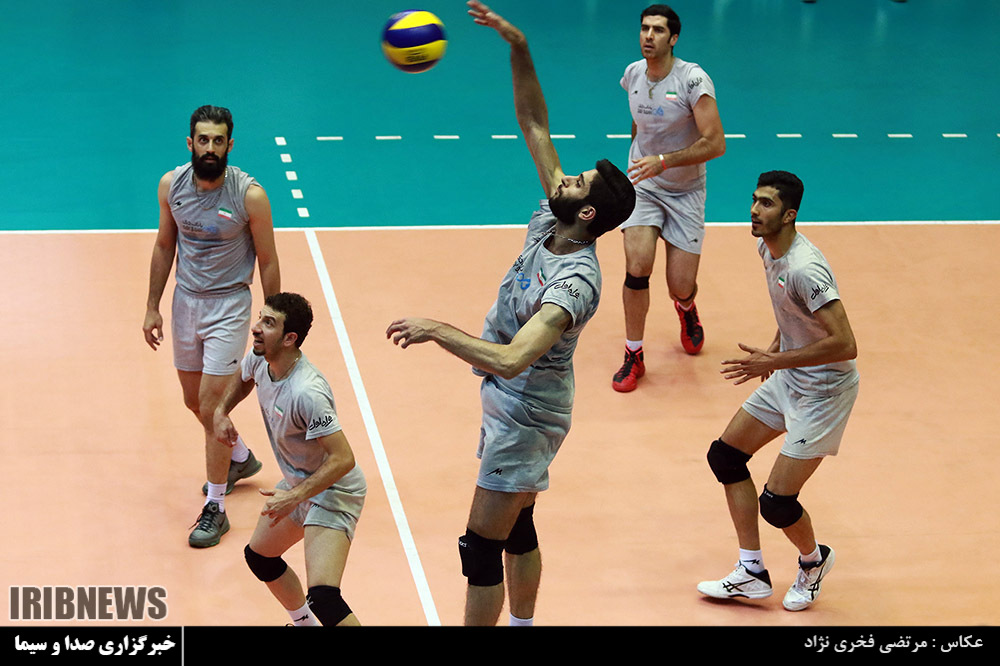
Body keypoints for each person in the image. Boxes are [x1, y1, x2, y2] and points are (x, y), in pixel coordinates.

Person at [385, 1, 636, 627]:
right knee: (518, 527)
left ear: (587, 214)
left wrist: (435, 329)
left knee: (479, 548)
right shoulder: (555, 215)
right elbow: (534, 123)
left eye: (576, 181)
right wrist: (517, 45)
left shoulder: (576, 282)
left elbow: (513, 357)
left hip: (528, 413)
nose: (565, 177)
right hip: (511, 400)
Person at [697, 171, 859, 611]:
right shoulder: (767, 249)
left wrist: (773, 362)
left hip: (824, 393)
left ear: (789, 215)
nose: (754, 210)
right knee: (725, 457)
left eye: (766, 204)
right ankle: (751, 572)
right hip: (791, 374)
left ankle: (813, 561)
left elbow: (846, 344)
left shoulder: (806, 268)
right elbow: (794, 313)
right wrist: (775, 348)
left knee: (777, 503)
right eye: (754, 200)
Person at [142, 105, 281, 548]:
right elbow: (164, 245)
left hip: (229, 306)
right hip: (185, 304)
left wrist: (272, 320)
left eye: (218, 141)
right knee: (195, 403)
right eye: (203, 139)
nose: (210, 147)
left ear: (229, 145)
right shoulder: (172, 185)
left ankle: (216, 509)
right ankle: (239, 457)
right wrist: (152, 306)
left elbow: (268, 259)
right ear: (190, 143)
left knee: (211, 406)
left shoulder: (249, 195)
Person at [214, 292, 367, 626]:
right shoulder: (261, 358)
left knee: (324, 597)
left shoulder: (307, 391)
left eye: (268, 323)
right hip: (300, 484)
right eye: (260, 318)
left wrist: (294, 497)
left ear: (289, 338)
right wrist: (222, 411)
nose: (256, 327)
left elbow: (343, 459)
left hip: (334, 491)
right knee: (261, 558)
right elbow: (244, 378)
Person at [612, 4, 726, 392]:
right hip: (644, 184)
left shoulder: (693, 80)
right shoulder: (633, 74)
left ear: (673, 38)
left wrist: (664, 161)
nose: (648, 36)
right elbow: (640, 123)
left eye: (658, 30)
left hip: (685, 190)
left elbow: (716, 143)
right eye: (644, 28)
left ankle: (686, 307)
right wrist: (638, 162)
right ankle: (633, 354)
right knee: (637, 264)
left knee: (680, 283)